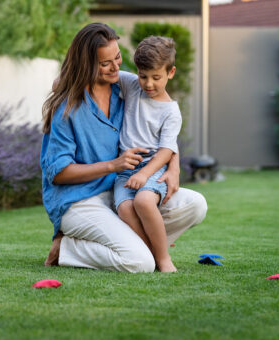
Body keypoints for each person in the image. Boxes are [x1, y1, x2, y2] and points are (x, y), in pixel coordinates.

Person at [40, 23, 207, 273]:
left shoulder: (123, 87)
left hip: (119, 189)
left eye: (117, 57)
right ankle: (67, 248)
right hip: (79, 200)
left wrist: (174, 167)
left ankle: (146, 247)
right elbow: (59, 173)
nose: (116, 66)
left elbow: (161, 129)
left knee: (195, 204)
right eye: (105, 63)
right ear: (86, 65)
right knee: (139, 263)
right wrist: (113, 165)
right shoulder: (67, 108)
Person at [114, 36, 181, 273]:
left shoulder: (171, 111)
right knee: (124, 208)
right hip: (124, 169)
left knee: (143, 200)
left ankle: (163, 259)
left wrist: (144, 174)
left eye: (156, 77)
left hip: (154, 166)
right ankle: (150, 254)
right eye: (143, 76)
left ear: (170, 72)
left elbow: (166, 151)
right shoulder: (132, 85)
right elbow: (99, 72)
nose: (148, 84)